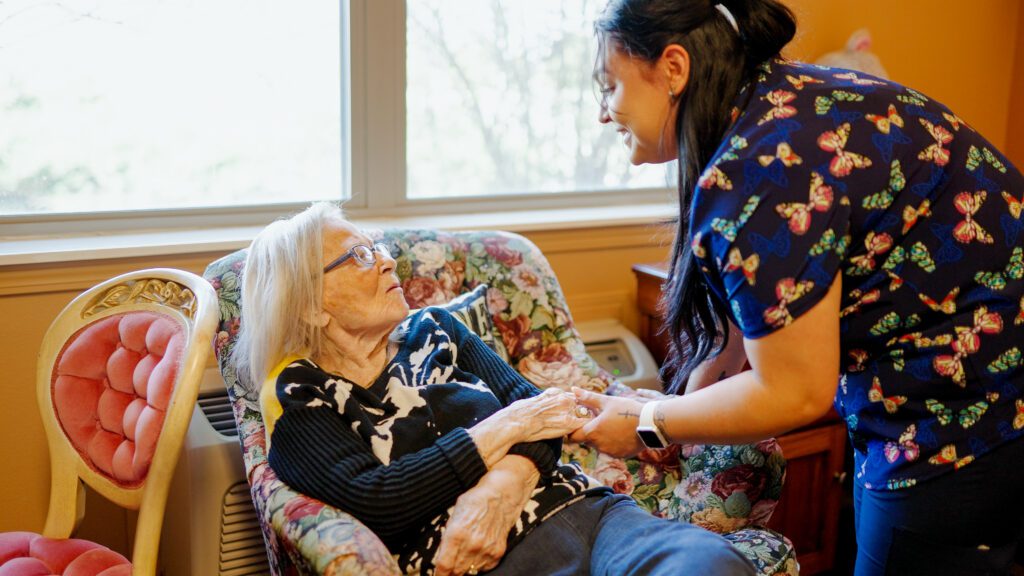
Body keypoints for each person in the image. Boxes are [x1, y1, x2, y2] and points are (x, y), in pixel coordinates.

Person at [571, 1, 1024, 574]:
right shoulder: (784, 98)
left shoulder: (758, 169)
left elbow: (793, 392)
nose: (604, 115)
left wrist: (649, 423)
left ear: (674, 68)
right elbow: (777, 286)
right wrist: (697, 384)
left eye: (609, 87)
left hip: (972, 411)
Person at [230, 202, 755, 576]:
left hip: (587, 512)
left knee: (709, 564)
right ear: (309, 305)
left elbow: (546, 416)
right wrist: (507, 425)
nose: (389, 261)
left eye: (379, 248)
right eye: (359, 257)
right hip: (482, 558)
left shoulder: (435, 329)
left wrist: (499, 492)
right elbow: (378, 500)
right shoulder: (301, 393)